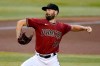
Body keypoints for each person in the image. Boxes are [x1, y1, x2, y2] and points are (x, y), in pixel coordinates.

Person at [16, 3, 92, 66]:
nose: (47, 12)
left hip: (52, 61)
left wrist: (85, 28)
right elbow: (20, 22)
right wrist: (18, 37)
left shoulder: (61, 26)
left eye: (49, 10)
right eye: (46, 10)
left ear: (56, 12)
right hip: (38, 59)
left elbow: (73, 27)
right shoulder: (39, 22)